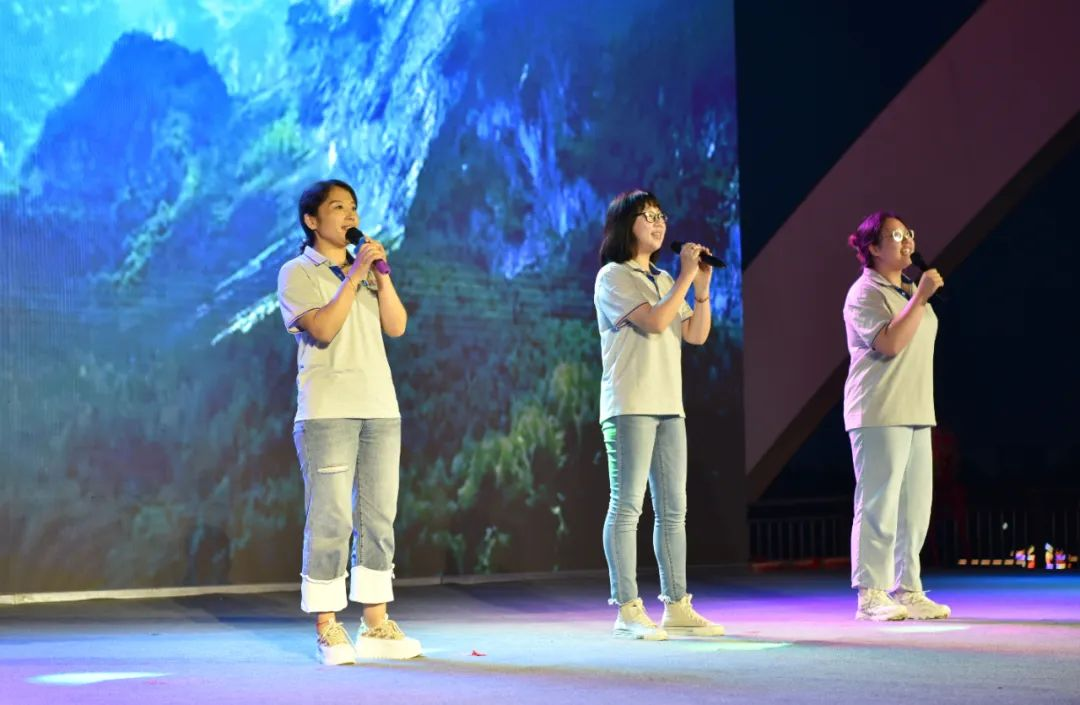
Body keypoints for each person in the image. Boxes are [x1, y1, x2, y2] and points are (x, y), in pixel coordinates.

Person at [277, 179, 421, 664]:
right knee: (332, 518)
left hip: (380, 406)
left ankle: (376, 624)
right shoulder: (297, 271)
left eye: (353, 207)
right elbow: (322, 328)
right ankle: (327, 626)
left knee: (378, 517)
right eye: (338, 207)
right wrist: (354, 275)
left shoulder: (365, 271)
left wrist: (379, 274)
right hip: (327, 410)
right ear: (312, 220)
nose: (350, 215)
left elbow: (397, 326)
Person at [592, 189, 726, 640]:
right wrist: (685, 277)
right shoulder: (613, 276)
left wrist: (700, 289)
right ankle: (627, 606)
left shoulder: (666, 277)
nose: (657, 222)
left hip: (670, 405)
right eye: (646, 216)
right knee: (627, 505)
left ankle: (677, 604)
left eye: (660, 215)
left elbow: (696, 334)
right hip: (630, 404)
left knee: (673, 510)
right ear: (624, 225)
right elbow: (652, 321)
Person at [843, 210, 952, 621]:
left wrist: (916, 296)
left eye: (908, 234)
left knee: (914, 508)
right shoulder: (864, 293)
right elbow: (889, 344)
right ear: (873, 247)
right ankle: (871, 593)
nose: (907, 241)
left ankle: (908, 588)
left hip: (917, 408)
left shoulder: (907, 289)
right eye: (895, 236)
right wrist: (921, 299)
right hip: (878, 409)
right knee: (879, 503)